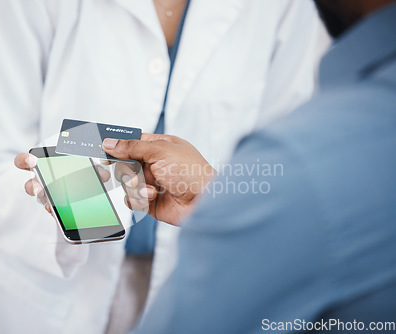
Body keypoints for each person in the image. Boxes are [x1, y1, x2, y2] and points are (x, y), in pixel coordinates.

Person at [0, 0, 326, 333]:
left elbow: (281, 169)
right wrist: (82, 206)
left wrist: (216, 194)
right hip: (30, 299)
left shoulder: (287, 7)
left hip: (193, 286)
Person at [96, 0, 396, 332]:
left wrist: (229, 204)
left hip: (203, 267)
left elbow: (285, 178)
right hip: (75, 271)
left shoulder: (300, 160)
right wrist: (219, 198)